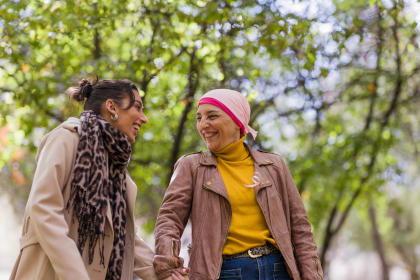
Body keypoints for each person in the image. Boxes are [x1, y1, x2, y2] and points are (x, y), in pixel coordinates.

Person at [10, 78, 185, 280]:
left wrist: (165, 274)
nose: (144, 118)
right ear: (111, 107)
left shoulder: (116, 167)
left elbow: (125, 239)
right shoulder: (66, 139)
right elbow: (43, 209)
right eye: (137, 107)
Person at [153, 89, 324, 280]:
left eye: (212, 116)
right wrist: (167, 267)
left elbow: (300, 228)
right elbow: (169, 220)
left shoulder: (274, 166)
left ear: (237, 120)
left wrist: (313, 276)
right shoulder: (191, 167)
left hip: (278, 270)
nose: (203, 125)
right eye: (199, 118)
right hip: (224, 272)